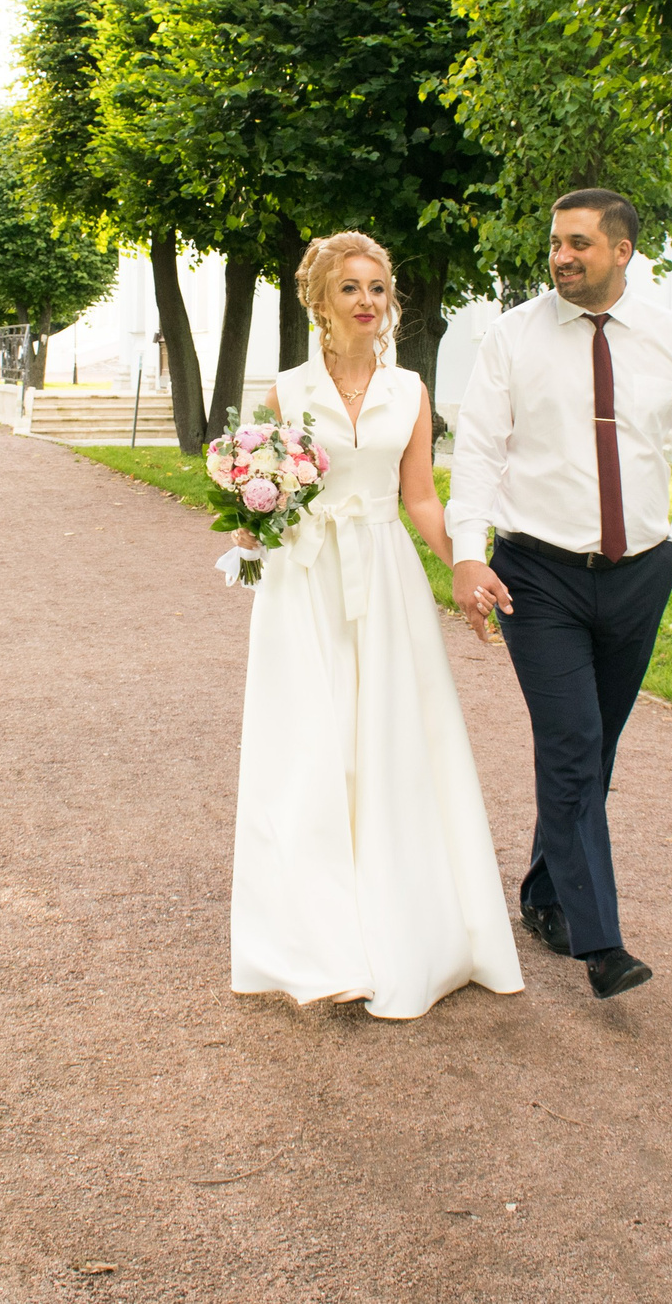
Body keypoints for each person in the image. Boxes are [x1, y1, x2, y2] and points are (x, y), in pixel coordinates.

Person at [448, 189, 672, 999]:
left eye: (578, 243)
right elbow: (476, 455)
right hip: (535, 576)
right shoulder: (510, 338)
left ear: (622, 251)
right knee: (573, 743)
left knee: (595, 752)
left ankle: (544, 894)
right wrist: (469, 557)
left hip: (640, 570)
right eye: (554, 243)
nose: (561, 256)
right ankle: (599, 943)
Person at [229, 231, 523, 1021]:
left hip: (385, 578)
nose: (367, 301)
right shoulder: (288, 392)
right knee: (310, 748)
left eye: (379, 288)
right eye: (351, 288)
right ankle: (318, 945)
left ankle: (402, 930)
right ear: (322, 300)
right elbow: (263, 482)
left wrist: (463, 565)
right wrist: (249, 518)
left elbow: (421, 495)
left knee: (391, 745)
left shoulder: (411, 390)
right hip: (307, 579)